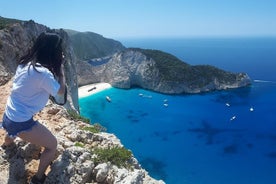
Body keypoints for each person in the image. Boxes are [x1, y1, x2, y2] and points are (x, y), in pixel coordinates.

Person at [1, 32, 66, 184]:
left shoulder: (24, 63)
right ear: (52, 52)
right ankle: (38, 178)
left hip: (8, 115)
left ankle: (7, 146)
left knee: (12, 128)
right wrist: (61, 71)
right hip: (21, 122)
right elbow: (60, 92)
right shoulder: (43, 74)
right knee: (52, 146)